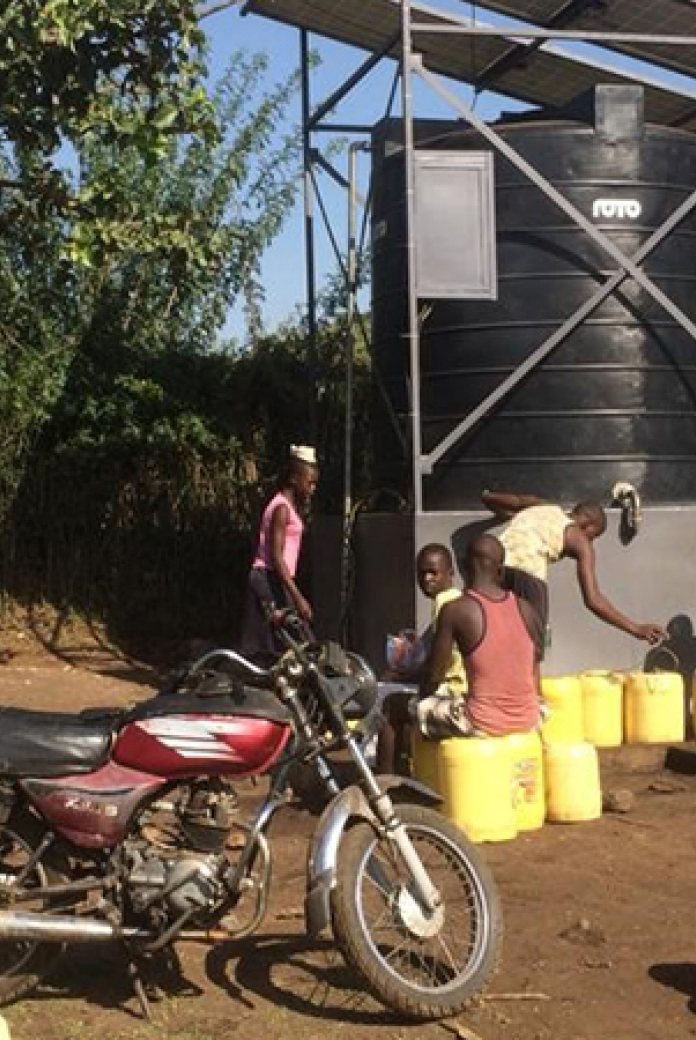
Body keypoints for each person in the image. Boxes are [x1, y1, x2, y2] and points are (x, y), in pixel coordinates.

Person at [481, 489, 666, 657]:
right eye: (593, 537)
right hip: (528, 573)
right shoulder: (578, 538)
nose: (591, 543)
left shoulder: (544, 507)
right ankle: (531, 693)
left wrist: (488, 497)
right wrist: (636, 629)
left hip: (492, 567)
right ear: (588, 524)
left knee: (491, 633)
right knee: (533, 647)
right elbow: (593, 600)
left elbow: (516, 500)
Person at [376, 543, 465, 773]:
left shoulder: (445, 604)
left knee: (390, 708)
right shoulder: (459, 599)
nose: (427, 579)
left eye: (433, 572)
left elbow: (438, 668)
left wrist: (409, 680)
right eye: (422, 573)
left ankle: (383, 783)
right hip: (461, 688)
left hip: (454, 691)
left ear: (451, 573)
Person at [240, 445, 318, 659]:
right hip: (268, 579)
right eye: (309, 482)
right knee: (289, 643)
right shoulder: (281, 509)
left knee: (289, 644)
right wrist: (298, 597)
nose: (312, 488)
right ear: (294, 478)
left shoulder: (286, 507)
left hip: (275, 580)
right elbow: (276, 557)